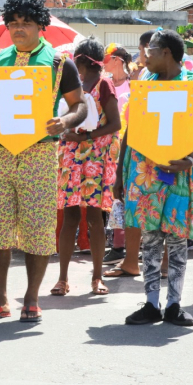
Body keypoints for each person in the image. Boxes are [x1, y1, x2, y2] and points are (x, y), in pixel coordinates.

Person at [0, 0, 88, 323]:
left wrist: (64, 121)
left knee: (38, 230)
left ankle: (32, 299)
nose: (19, 28)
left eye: (26, 23)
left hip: (39, 153)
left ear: (41, 27)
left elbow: (80, 106)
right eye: (13, 23)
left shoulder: (57, 64)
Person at [117, 30, 193, 327]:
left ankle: (174, 304)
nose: (144, 56)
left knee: (177, 239)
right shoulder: (144, 84)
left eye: (150, 50)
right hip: (146, 173)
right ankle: (150, 303)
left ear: (167, 52)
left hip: (181, 172)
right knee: (150, 237)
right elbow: (131, 132)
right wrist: (121, 173)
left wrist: (192, 159)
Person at [51, 37, 121, 297]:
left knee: (93, 219)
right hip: (71, 157)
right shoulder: (73, 86)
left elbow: (115, 124)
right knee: (70, 218)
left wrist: (84, 137)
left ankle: (97, 277)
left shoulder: (104, 85)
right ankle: (62, 279)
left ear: (79, 60)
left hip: (95, 159)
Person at [105, 30, 157, 277]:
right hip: (136, 151)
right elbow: (133, 122)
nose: (140, 54)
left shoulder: (177, 79)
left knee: (162, 213)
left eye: (142, 48)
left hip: (158, 155)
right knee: (134, 208)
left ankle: (163, 266)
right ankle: (131, 261)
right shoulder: (144, 77)